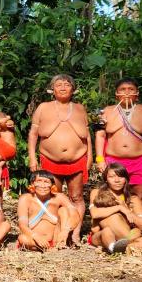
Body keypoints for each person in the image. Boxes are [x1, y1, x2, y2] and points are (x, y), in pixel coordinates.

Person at [27, 75, 90, 237]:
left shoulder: (80, 108)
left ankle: (75, 232)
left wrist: (90, 158)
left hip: (77, 159)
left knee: (76, 197)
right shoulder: (43, 107)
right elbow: (33, 134)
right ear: (52, 90)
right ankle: (57, 232)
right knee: (55, 195)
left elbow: (87, 136)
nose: (63, 88)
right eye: (59, 85)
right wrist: (32, 158)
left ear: (73, 89)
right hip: (50, 158)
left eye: (67, 85)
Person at [94, 79, 142, 200]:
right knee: (114, 195)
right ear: (116, 93)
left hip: (140, 161)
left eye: (131, 89)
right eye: (122, 89)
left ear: (137, 93)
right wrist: (100, 159)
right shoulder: (106, 111)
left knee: (140, 195)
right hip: (114, 161)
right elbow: (100, 136)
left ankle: (140, 218)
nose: (126, 93)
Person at [88, 163, 142, 253]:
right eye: (112, 177)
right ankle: (126, 245)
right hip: (102, 234)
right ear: (106, 179)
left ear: (126, 179)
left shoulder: (133, 198)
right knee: (110, 224)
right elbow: (95, 214)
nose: (117, 180)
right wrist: (120, 208)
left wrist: (128, 210)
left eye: (121, 176)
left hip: (128, 234)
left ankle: (117, 247)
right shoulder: (97, 192)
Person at [16, 171, 77, 251]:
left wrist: (65, 230)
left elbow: (75, 214)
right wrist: (35, 236)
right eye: (39, 181)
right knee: (23, 238)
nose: (43, 186)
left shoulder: (59, 197)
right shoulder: (25, 199)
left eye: (46, 182)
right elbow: (22, 224)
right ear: (32, 183)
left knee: (63, 210)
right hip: (34, 240)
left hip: (56, 239)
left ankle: (59, 244)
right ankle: (48, 249)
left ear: (52, 185)